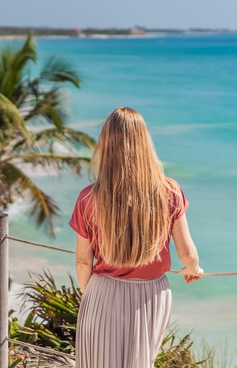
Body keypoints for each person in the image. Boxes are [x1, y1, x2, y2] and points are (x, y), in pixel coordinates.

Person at [69, 107, 203, 368]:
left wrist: (92, 295)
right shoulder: (169, 190)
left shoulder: (89, 197)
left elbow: (83, 262)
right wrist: (193, 268)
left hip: (103, 291)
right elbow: (187, 253)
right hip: (152, 294)